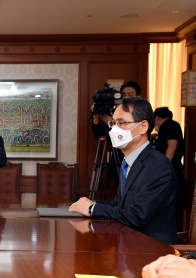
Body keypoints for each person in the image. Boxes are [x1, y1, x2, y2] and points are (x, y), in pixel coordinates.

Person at [69, 97, 178, 244]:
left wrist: (93, 209)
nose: (115, 129)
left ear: (143, 127)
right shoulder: (128, 162)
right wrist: (92, 204)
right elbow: (120, 207)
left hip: (152, 251)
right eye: (113, 123)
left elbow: (136, 216)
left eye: (122, 123)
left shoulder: (158, 166)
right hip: (128, 245)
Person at [90, 81, 142, 190]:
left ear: (138, 96)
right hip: (118, 154)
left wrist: (114, 124)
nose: (126, 97)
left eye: (130, 95)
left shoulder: (141, 113)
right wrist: (95, 118)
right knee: (119, 186)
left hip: (134, 155)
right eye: (124, 95)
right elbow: (98, 134)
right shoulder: (115, 112)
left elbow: (134, 135)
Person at [152, 106, 185, 231]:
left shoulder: (171, 125)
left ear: (157, 117)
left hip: (172, 171)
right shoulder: (167, 128)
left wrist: (163, 168)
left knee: (172, 203)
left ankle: (173, 233)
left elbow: (172, 147)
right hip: (169, 170)